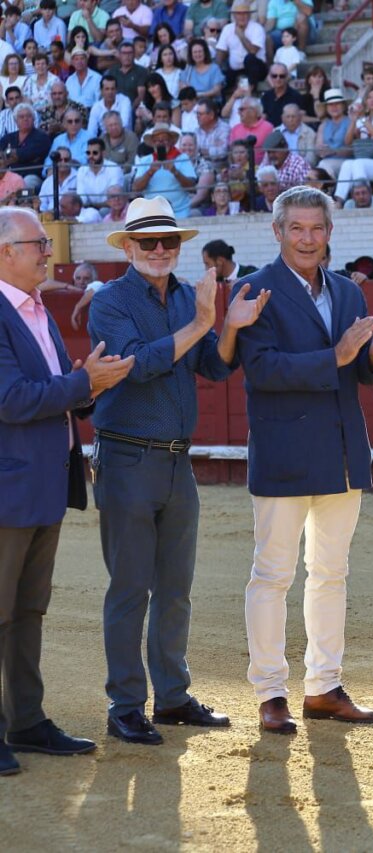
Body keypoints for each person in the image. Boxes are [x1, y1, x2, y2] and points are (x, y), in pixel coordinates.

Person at [87, 196, 270, 744]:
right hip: (126, 457)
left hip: (174, 459)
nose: (161, 250)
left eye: (168, 241)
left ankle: (170, 697)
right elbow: (136, 366)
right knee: (130, 587)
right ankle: (125, 704)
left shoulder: (192, 299)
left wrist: (229, 327)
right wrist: (204, 321)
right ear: (129, 247)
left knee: (174, 588)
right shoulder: (110, 301)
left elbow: (215, 364)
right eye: (149, 242)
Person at [233, 185, 373, 734]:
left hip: (341, 452)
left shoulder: (348, 293)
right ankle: (269, 693)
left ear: (330, 233)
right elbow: (261, 371)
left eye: (317, 228)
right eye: (297, 228)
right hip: (284, 452)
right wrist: (338, 354)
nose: (308, 238)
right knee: (273, 575)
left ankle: (324, 687)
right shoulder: (254, 290)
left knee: (331, 573)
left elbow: (357, 374)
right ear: (278, 232)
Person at [0, 208, 132, 775]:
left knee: (29, 609)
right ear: (5, 250)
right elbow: (11, 400)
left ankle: (26, 720)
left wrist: (85, 389)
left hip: (42, 483)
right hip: (8, 489)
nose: (48, 253)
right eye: (37, 243)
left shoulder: (36, 311)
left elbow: (49, 392)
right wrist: (83, 383)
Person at [335, 86, 373, 203]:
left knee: (358, 164)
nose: (372, 100)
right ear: (365, 101)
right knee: (347, 164)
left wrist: (362, 118)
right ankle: (339, 201)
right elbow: (347, 142)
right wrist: (353, 120)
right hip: (368, 162)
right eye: (369, 97)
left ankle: (363, 200)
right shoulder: (363, 120)